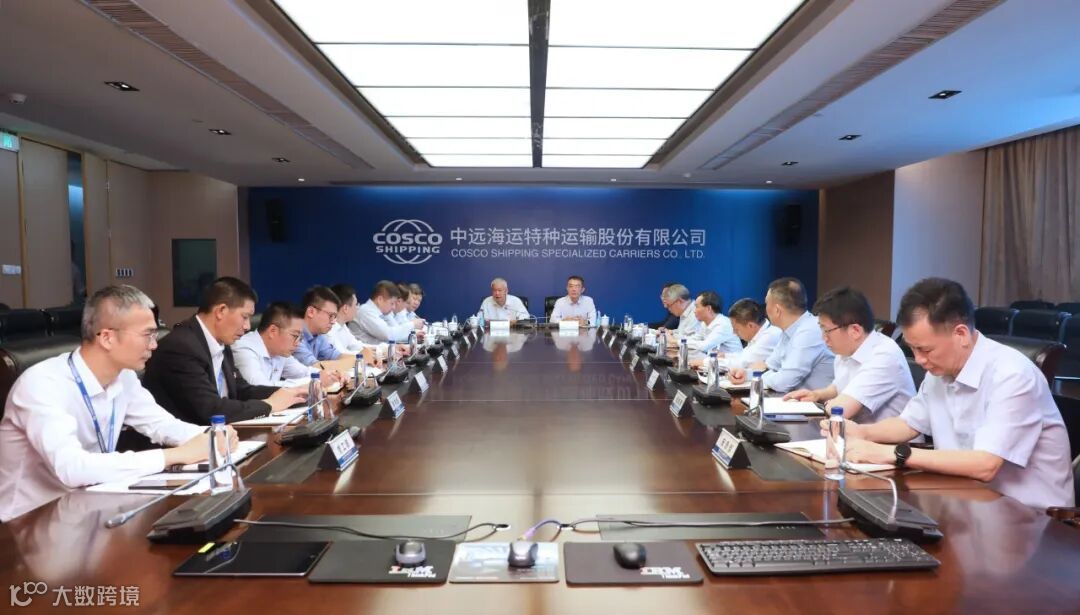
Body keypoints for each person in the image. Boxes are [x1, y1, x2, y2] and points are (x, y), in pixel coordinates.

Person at [0, 285, 238, 521]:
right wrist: (175, 455)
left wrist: (212, 436)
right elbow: (72, 468)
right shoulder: (43, 384)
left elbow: (162, 425)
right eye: (147, 335)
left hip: (88, 507)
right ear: (107, 337)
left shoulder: (124, 377)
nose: (154, 345)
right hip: (28, 523)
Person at [837, 278, 1073, 509]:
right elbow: (908, 424)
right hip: (966, 499)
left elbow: (985, 464)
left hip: (1030, 516)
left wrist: (893, 454)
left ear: (960, 334)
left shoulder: (1012, 375)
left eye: (925, 349)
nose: (919, 360)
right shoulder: (940, 370)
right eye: (912, 349)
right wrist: (861, 433)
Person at [143, 277, 306, 424]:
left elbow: (241, 390)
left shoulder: (221, 342)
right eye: (245, 317)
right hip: (182, 441)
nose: (247, 326)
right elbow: (210, 409)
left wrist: (292, 394)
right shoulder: (181, 347)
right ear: (221, 311)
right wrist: (269, 405)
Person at [784, 287, 914, 423]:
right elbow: (839, 386)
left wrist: (827, 404)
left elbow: (842, 410)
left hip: (887, 436)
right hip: (857, 432)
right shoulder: (846, 350)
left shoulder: (884, 356)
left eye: (827, 330)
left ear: (855, 331)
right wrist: (817, 395)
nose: (824, 338)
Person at [729, 277, 834, 392]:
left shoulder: (808, 331)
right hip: (794, 398)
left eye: (766, 303)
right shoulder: (788, 331)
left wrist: (761, 375)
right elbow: (769, 365)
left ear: (777, 310)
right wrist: (746, 374)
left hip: (817, 402)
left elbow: (784, 382)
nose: (764, 309)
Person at [233, 302, 341, 387]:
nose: (298, 343)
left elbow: (304, 372)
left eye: (300, 337)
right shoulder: (244, 349)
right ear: (273, 331)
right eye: (295, 336)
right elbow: (260, 387)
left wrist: (330, 375)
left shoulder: (279, 351)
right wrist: (315, 380)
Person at [351, 280, 423, 345]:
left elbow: (387, 339)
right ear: (380, 299)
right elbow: (389, 335)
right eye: (392, 303)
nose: (393, 307)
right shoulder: (366, 312)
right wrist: (412, 324)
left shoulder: (374, 312)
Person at [292, 286, 349, 367]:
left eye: (335, 317)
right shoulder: (294, 335)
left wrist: (358, 358)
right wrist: (349, 362)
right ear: (311, 312)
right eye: (331, 316)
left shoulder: (318, 336)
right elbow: (316, 367)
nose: (333, 322)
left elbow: (338, 356)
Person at [723, 298, 781, 368]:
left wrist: (715, 361)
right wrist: (725, 356)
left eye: (736, 329)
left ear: (750, 326)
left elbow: (743, 363)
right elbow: (744, 355)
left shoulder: (770, 336)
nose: (734, 333)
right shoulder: (761, 332)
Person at [682, 291, 742, 355]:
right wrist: (678, 340)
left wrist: (679, 342)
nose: (694, 311)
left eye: (697, 307)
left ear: (708, 308)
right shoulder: (704, 323)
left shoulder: (723, 324)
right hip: (716, 359)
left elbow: (704, 346)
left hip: (732, 360)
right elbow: (696, 338)